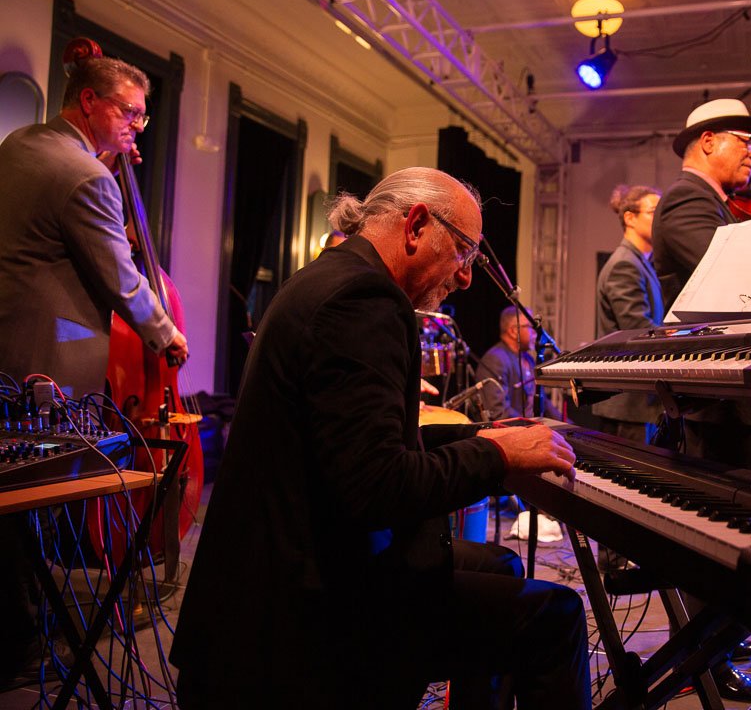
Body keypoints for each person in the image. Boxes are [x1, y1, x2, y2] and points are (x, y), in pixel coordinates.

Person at [169, 167, 590, 709]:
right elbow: (376, 488)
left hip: (292, 562)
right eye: (464, 251)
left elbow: (360, 447)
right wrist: (496, 455)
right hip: (305, 612)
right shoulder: (363, 300)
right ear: (416, 224)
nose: (466, 278)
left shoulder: (332, 277)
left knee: (501, 564)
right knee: (556, 617)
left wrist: (485, 437)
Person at [650, 98, 751, 701]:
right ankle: (708, 651)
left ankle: (724, 632)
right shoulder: (686, 200)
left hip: (731, 389)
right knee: (717, 526)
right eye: (744, 140)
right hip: (712, 391)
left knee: (733, 517)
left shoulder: (716, 206)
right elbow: (734, 283)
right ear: (706, 142)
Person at [0, 56, 188, 399]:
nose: (140, 126)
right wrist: (167, 334)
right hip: (52, 370)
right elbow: (121, 280)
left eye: (141, 116)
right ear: (89, 101)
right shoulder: (89, 177)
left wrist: (103, 166)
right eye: (130, 112)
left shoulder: (18, 141)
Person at [593, 184, 665, 443]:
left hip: (636, 404)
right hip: (629, 405)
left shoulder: (640, 263)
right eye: (655, 211)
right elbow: (638, 331)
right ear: (630, 218)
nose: (661, 219)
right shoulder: (625, 264)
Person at [477, 306, 557, 420]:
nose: (535, 332)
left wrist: (570, 426)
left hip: (532, 428)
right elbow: (499, 411)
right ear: (513, 331)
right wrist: (531, 427)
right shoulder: (495, 360)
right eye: (531, 327)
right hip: (514, 432)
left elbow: (544, 403)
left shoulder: (528, 358)